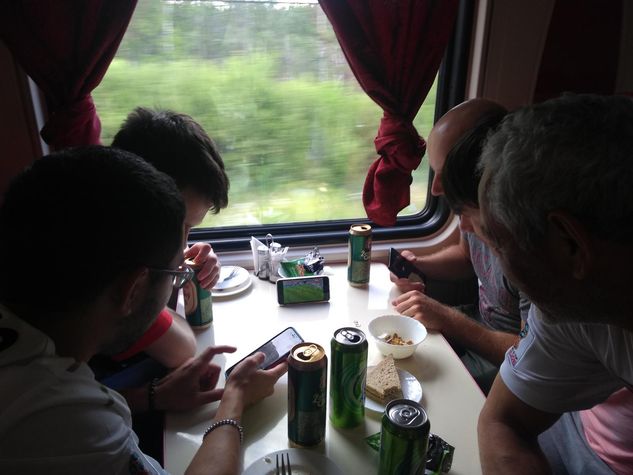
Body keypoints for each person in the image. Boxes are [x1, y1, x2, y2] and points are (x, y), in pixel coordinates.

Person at [0, 146, 286, 475]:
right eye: (176, 274)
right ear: (133, 289)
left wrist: (151, 397)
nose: (182, 277)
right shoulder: (63, 415)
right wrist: (234, 398)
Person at [476, 93, 633, 474]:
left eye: (498, 242)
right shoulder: (579, 307)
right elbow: (503, 422)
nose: (497, 260)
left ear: (569, 244)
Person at [390, 98, 529, 394]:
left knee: (420, 387)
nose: (436, 188)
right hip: (478, 321)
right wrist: (421, 264)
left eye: (444, 173)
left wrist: (449, 319)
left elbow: (532, 356)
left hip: (504, 353)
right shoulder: (471, 207)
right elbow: (468, 257)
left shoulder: (527, 245)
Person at [100, 107, 230, 374]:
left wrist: (182, 269)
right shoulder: (113, 278)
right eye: (177, 227)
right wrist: (169, 275)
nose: (183, 246)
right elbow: (182, 349)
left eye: (190, 229)